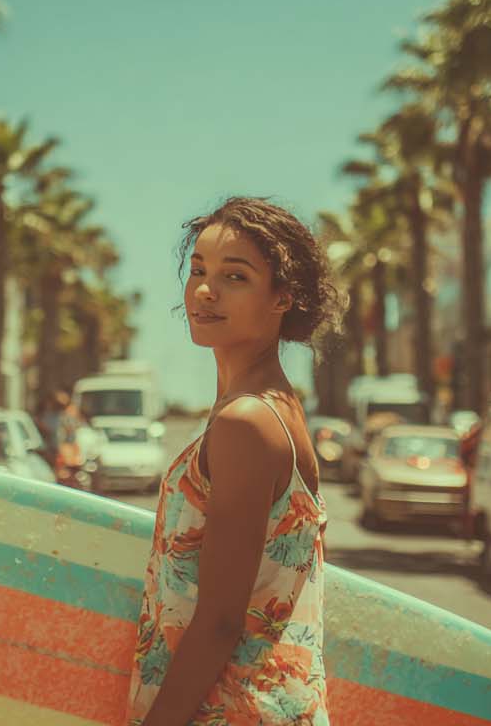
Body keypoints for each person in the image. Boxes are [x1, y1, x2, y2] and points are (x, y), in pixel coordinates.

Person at [127, 197, 343, 726]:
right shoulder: (276, 407)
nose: (205, 289)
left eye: (236, 276)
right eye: (199, 269)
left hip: (229, 709)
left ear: (283, 298)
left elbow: (222, 621)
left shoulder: (247, 422)